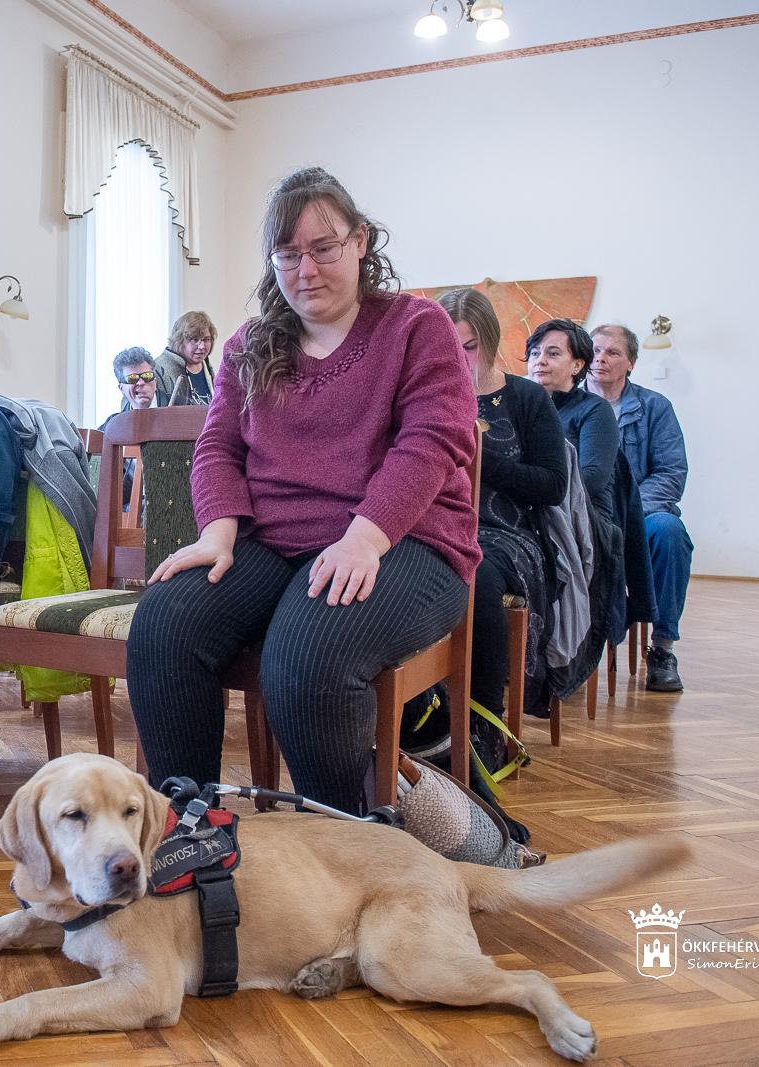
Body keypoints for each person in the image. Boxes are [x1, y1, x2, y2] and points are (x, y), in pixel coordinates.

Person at [126, 167, 478, 814]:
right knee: (163, 625)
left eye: (324, 248)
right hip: (274, 543)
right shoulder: (250, 346)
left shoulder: (415, 326)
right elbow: (218, 446)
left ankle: (345, 851)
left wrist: (364, 537)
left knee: (306, 660)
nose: (306, 269)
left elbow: (432, 441)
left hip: (405, 543)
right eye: (287, 254)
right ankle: (193, 833)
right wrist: (218, 531)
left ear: (361, 242)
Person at [439, 289, 567, 763]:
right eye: (447, 346)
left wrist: (478, 459)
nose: (458, 358)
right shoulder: (424, 397)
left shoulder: (526, 397)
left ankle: (485, 728)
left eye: (468, 347)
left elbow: (553, 484)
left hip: (506, 535)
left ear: (489, 342)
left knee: (475, 574)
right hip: (437, 526)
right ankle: (420, 718)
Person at [589, 324, 691, 691]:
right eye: (596, 350)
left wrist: (626, 513)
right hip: (581, 514)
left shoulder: (654, 408)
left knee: (669, 531)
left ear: (631, 362)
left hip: (640, 514)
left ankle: (662, 649)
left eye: (612, 352)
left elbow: (670, 472)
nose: (601, 358)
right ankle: (559, 651)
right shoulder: (566, 403)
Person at [525, 319, 617, 516]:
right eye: (534, 353)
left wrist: (525, 488)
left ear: (577, 365)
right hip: (527, 510)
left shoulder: (595, 409)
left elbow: (592, 479)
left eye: (553, 353)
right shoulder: (518, 407)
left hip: (581, 515)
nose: (540, 360)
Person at [99, 348, 156, 507]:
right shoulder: (113, 426)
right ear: (121, 388)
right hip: (130, 507)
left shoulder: (178, 412)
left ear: (155, 381)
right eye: (132, 379)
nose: (141, 383)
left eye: (147, 376)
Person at [154, 312, 218, 405]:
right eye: (195, 340)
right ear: (179, 340)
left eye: (206, 339)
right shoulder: (160, 368)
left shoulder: (206, 366)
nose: (202, 346)